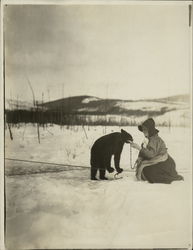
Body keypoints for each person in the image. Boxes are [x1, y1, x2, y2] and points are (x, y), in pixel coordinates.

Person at [130, 118, 184, 184]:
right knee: (145, 170)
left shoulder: (155, 140)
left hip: (165, 162)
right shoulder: (147, 140)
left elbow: (151, 154)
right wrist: (139, 157)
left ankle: (174, 179)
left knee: (150, 173)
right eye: (143, 130)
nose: (143, 131)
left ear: (150, 131)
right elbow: (145, 153)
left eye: (145, 130)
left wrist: (139, 148)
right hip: (157, 161)